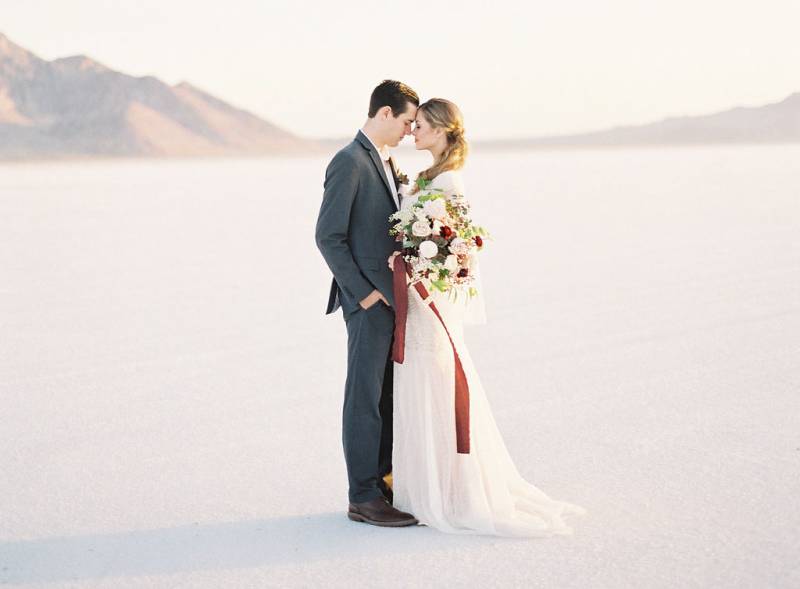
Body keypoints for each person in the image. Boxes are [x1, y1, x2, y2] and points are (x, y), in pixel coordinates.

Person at [390, 98, 588, 536]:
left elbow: (459, 253)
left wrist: (419, 264)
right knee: (421, 385)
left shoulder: (450, 184)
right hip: (415, 299)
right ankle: (425, 486)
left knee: (437, 382)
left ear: (440, 131)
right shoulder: (427, 178)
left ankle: (450, 493)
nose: (413, 132)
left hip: (429, 304)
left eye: (420, 125)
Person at [314, 80, 419, 527]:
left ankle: (382, 485)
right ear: (384, 114)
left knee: (386, 396)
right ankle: (362, 496)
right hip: (368, 304)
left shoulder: (385, 160)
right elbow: (328, 237)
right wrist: (366, 295)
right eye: (407, 121)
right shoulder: (349, 161)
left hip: (390, 302)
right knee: (363, 398)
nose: (410, 132)